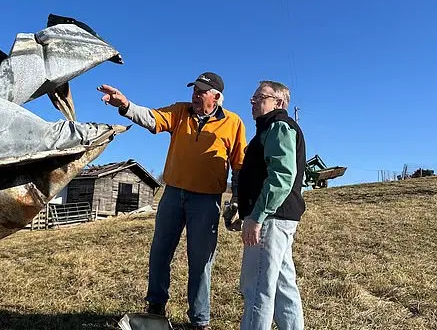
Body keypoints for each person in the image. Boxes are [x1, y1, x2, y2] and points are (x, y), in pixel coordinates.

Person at [98, 72, 247, 329]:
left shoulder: (233, 123)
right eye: (195, 90)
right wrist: (125, 104)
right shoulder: (180, 112)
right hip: (173, 195)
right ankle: (155, 308)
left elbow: (240, 165)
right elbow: (152, 118)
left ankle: (200, 320)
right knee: (159, 252)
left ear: (217, 97)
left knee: (201, 260)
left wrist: (239, 199)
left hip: (206, 200)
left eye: (202, 91)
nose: (196, 95)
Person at [237, 80, 306, 330]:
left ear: (278, 102)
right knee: (282, 284)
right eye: (253, 97)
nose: (253, 102)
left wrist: (257, 216)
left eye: (260, 97)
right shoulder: (269, 129)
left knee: (257, 287)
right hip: (279, 218)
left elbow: (281, 176)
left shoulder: (278, 126)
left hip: (271, 218)